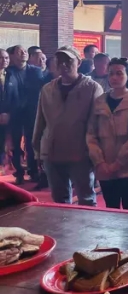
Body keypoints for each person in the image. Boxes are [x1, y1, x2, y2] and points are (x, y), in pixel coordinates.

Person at [33, 46, 103, 206]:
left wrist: (95, 155)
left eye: (68, 61)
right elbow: (40, 121)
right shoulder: (47, 89)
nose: (63, 65)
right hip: (52, 153)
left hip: (80, 154)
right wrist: (38, 151)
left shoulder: (91, 88)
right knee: (59, 201)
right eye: (59, 61)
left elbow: (96, 125)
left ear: (78, 62)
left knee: (86, 199)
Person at [87, 58, 128, 211]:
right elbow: (91, 134)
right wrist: (99, 161)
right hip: (104, 166)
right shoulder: (100, 101)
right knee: (110, 208)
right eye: (111, 73)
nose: (114, 77)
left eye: (119, 73)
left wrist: (118, 163)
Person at [6, 45, 44, 184]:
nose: (23, 53)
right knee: (15, 144)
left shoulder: (36, 71)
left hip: (32, 112)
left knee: (31, 142)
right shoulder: (8, 72)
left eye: (24, 51)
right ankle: (19, 172)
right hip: (14, 112)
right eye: (19, 51)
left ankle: (33, 171)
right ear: (12, 55)